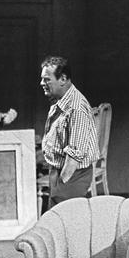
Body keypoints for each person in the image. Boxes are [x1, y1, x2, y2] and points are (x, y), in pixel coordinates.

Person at [39, 56, 100, 207]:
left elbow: (74, 156)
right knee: (56, 219)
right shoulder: (61, 100)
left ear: (63, 79)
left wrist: (61, 185)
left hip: (72, 176)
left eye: (47, 79)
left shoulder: (76, 108)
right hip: (59, 173)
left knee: (65, 218)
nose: (42, 83)